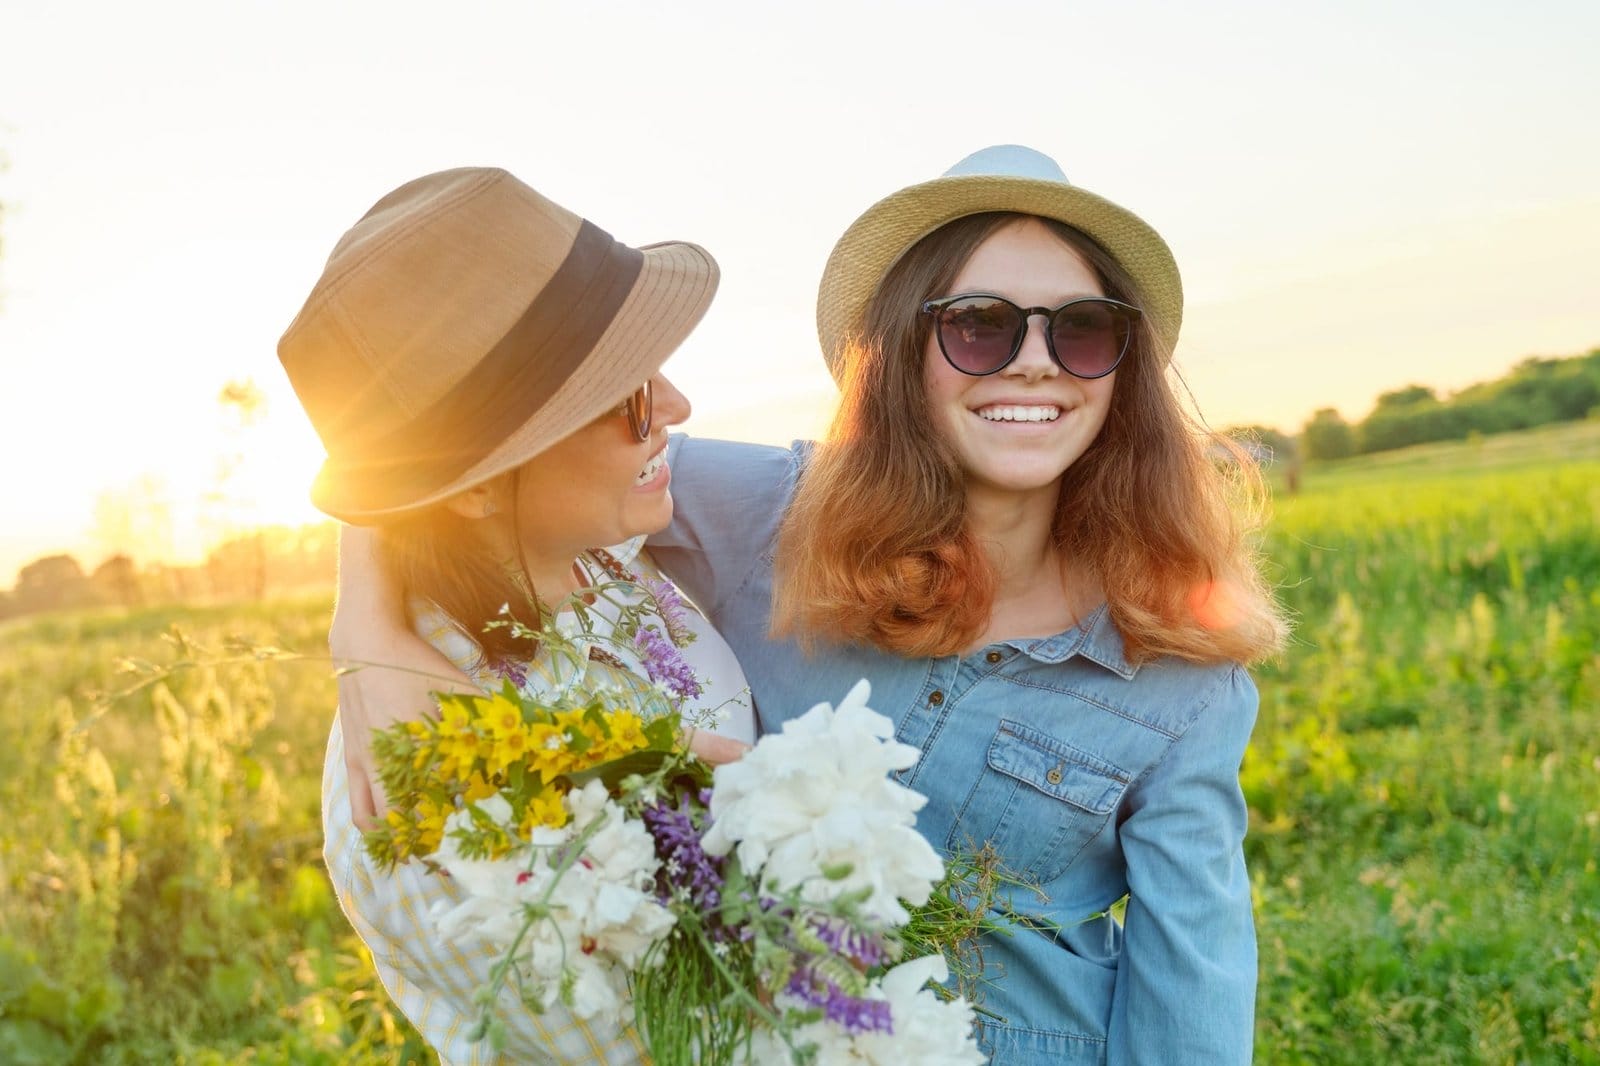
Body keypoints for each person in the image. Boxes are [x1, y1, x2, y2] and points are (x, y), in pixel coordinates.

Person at [331, 146, 1287, 1065]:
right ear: (904, 351)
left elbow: (1193, 984)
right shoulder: (770, 514)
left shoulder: (1186, 680)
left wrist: (357, 633)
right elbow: (468, 462)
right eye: (980, 325)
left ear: (1124, 371)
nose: (1034, 362)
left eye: (1083, 329)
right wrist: (365, 626)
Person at [278, 166, 755, 1065]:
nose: (679, 409)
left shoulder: (603, 542)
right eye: (630, 394)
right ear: (480, 485)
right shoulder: (427, 803)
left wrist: (365, 614)